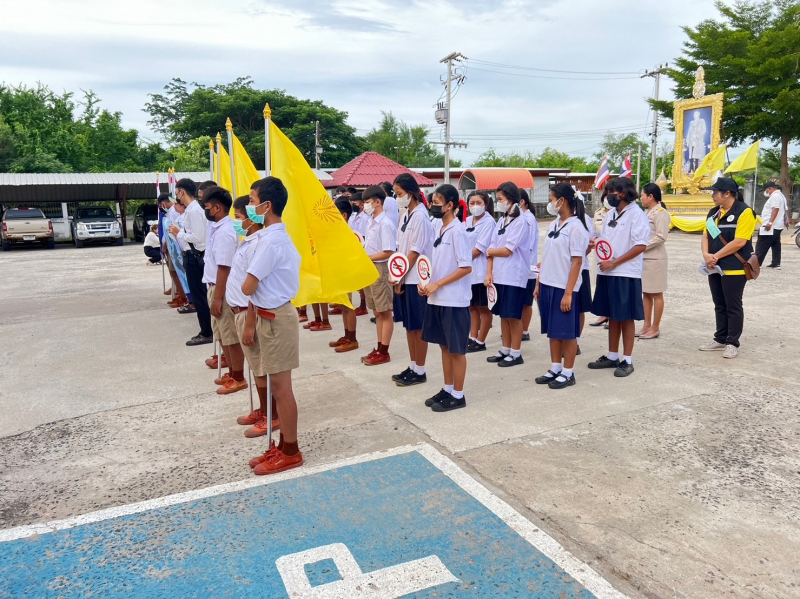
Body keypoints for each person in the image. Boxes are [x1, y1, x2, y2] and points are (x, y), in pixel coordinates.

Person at [243, 176, 303, 475]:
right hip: (270, 316)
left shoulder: (271, 241)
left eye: (252, 201)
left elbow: (248, 285)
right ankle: (282, 445)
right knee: (278, 388)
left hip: (276, 318)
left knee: (281, 389)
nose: (249, 206)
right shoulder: (271, 238)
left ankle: (291, 450)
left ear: (267, 206)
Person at [226, 195, 280, 438]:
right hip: (238, 311)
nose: (237, 222)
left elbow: (255, 288)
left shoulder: (258, 244)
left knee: (261, 368)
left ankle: (272, 415)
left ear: (252, 219)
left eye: (239, 217)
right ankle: (263, 409)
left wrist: (249, 323)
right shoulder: (247, 241)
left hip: (248, 312)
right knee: (256, 366)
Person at [588, 177, 650, 377]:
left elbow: (640, 246)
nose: (607, 196)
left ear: (622, 193)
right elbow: (607, 239)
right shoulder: (611, 214)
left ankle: (627, 360)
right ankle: (612, 355)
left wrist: (615, 263)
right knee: (612, 315)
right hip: (607, 271)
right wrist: (596, 242)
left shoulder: (636, 214)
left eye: (610, 192)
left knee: (625, 317)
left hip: (625, 273)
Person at [419, 184, 472, 411]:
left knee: (456, 349)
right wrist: (426, 284)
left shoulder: (458, 231)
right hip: (437, 298)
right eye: (432, 202)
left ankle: (458, 395)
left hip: (454, 300)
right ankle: (448, 388)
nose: (432, 206)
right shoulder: (440, 228)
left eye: (436, 203)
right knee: (444, 346)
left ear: (450, 205)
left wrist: (438, 284)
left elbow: (466, 267)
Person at [534, 183, 590, 389]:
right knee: (553, 330)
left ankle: (568, 372)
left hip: (563, 286)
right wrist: (539, 283)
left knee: (567, 331)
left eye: (551, 199)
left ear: (562, 200)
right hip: (548, 283)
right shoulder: (554, 224)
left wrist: (568, 293)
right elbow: (547, 256)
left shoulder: (576, 227)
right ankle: (555, 368)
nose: (549, 203)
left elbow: (577, 262)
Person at [699, 177, 756, 359]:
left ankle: (732, 342)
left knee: (733, 305)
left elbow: (740, 241)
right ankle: (720, 338)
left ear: (727, 193)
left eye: (715, 192)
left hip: (734, 268)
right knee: (719, 304)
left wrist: (715, 256)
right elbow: (706, 236)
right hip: (714, 267)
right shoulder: (713, 212)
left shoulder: (745, 212)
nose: (713, 195)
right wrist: (706, 255)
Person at [202, 186, 247, 395]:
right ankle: (231, 372)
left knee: (230, 335)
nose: (206, 210)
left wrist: (218, 298)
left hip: (223, 288)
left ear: (217, 208)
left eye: (207, 206)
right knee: (221, 333)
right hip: (214, 286)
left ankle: (238, 377)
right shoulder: (217, 228)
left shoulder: (226, 232)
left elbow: (224, 267)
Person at [391, 173, 435, 386]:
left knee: (418, 326)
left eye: (399, 193)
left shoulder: (420, 216)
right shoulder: (405, 215)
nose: (397, 198)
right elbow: (401, 249)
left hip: (416, 278)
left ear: (410, 193)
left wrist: (399, 274)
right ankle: (413, 365)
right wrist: (397, 277)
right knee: (409, 326)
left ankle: (420, 370)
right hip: (404, 277)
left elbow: (415, 251)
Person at [485, 181, 531, 367]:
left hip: (513, 275)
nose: (498, 203)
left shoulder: (521, 222)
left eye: (501, 199)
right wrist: (489, 272)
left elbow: (506, 250)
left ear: (511, 199)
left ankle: (516, 352)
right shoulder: (501, 221)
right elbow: (491, 248)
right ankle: (505, 349)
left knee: (513, 316)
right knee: (503, 315)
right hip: (499, 274)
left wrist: (490, 251)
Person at [169, 178, 212, 346]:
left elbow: (198, 237)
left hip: (195, 257)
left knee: (199, 296)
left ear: (182, 192)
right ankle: (206, 330)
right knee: (199, 295)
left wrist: (178, 233)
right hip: (194, 256)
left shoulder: (194, 211)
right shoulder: (192, 210)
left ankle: (206, 332)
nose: (177, 196)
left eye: (177, 192)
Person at [361, 185, 396, 366]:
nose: (365, 205)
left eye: (367, 202)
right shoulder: (371, 221)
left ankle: (384, 351)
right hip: (370, 268)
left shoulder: (385, 223)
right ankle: (379, 347)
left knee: (385, 311)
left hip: (381, 268)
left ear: (377, 202)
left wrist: (366, 258)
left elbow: (389, 251)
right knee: (377, 311)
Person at [328, 199, 360, 353]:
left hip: (345, 273)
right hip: (338, 271)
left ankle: (352, 339)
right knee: (342, 305)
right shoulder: (338, 231)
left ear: (344, 215)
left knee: (347, 306)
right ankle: (347, 335)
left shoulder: (349, 233)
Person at [639, 183, 670, 340]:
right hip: (644, 258)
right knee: (646, 292)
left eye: (642, 195)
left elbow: (661, 236)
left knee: (656, 293)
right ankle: (646, 325)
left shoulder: (661, 213)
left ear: (651, 196)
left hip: (655, 258)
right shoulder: (646, 212)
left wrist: (642, 246)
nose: (641, 198)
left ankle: (655, 327)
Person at [465, 192, 495, 352]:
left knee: (484, 307)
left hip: (482, 270)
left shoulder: (489, 222)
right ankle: (473, 337)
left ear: (486, 204)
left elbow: (479, 249)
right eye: (472, 203)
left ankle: (481, 341)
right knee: (472, 307)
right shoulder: (467, 221)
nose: (475, 206)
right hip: (468, 272)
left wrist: (461, 259)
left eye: (479, 202)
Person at [519, 189, 540, 342]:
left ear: (522, 202)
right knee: (518, 301)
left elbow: (529, 246)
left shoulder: (529, 219)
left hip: (527, 268)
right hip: (518, 268)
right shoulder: (518, 218)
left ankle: (524, 330)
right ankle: (517, 328)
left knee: (526, 302)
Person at [589, 189, 610, 328]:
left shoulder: (617, 214)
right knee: (601, 284)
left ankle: (612, 315)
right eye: (606, 196)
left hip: (613, 254)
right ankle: (603, 314)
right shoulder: (598, 213)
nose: (608, 199)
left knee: (612, 284)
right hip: (600, 252)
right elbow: (594, 232)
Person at [755, 181, 788, 269]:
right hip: (778, 225)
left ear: (770, 189)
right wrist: (786, 220)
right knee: (775, 244)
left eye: (766, 190)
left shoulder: (775, 196)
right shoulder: (781, 196)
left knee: (762, 244)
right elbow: (785, 209)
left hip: (771, 226)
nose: (766, 193)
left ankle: (756, 263)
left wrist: (770, 223)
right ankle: (776, 263)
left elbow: (775, 209)